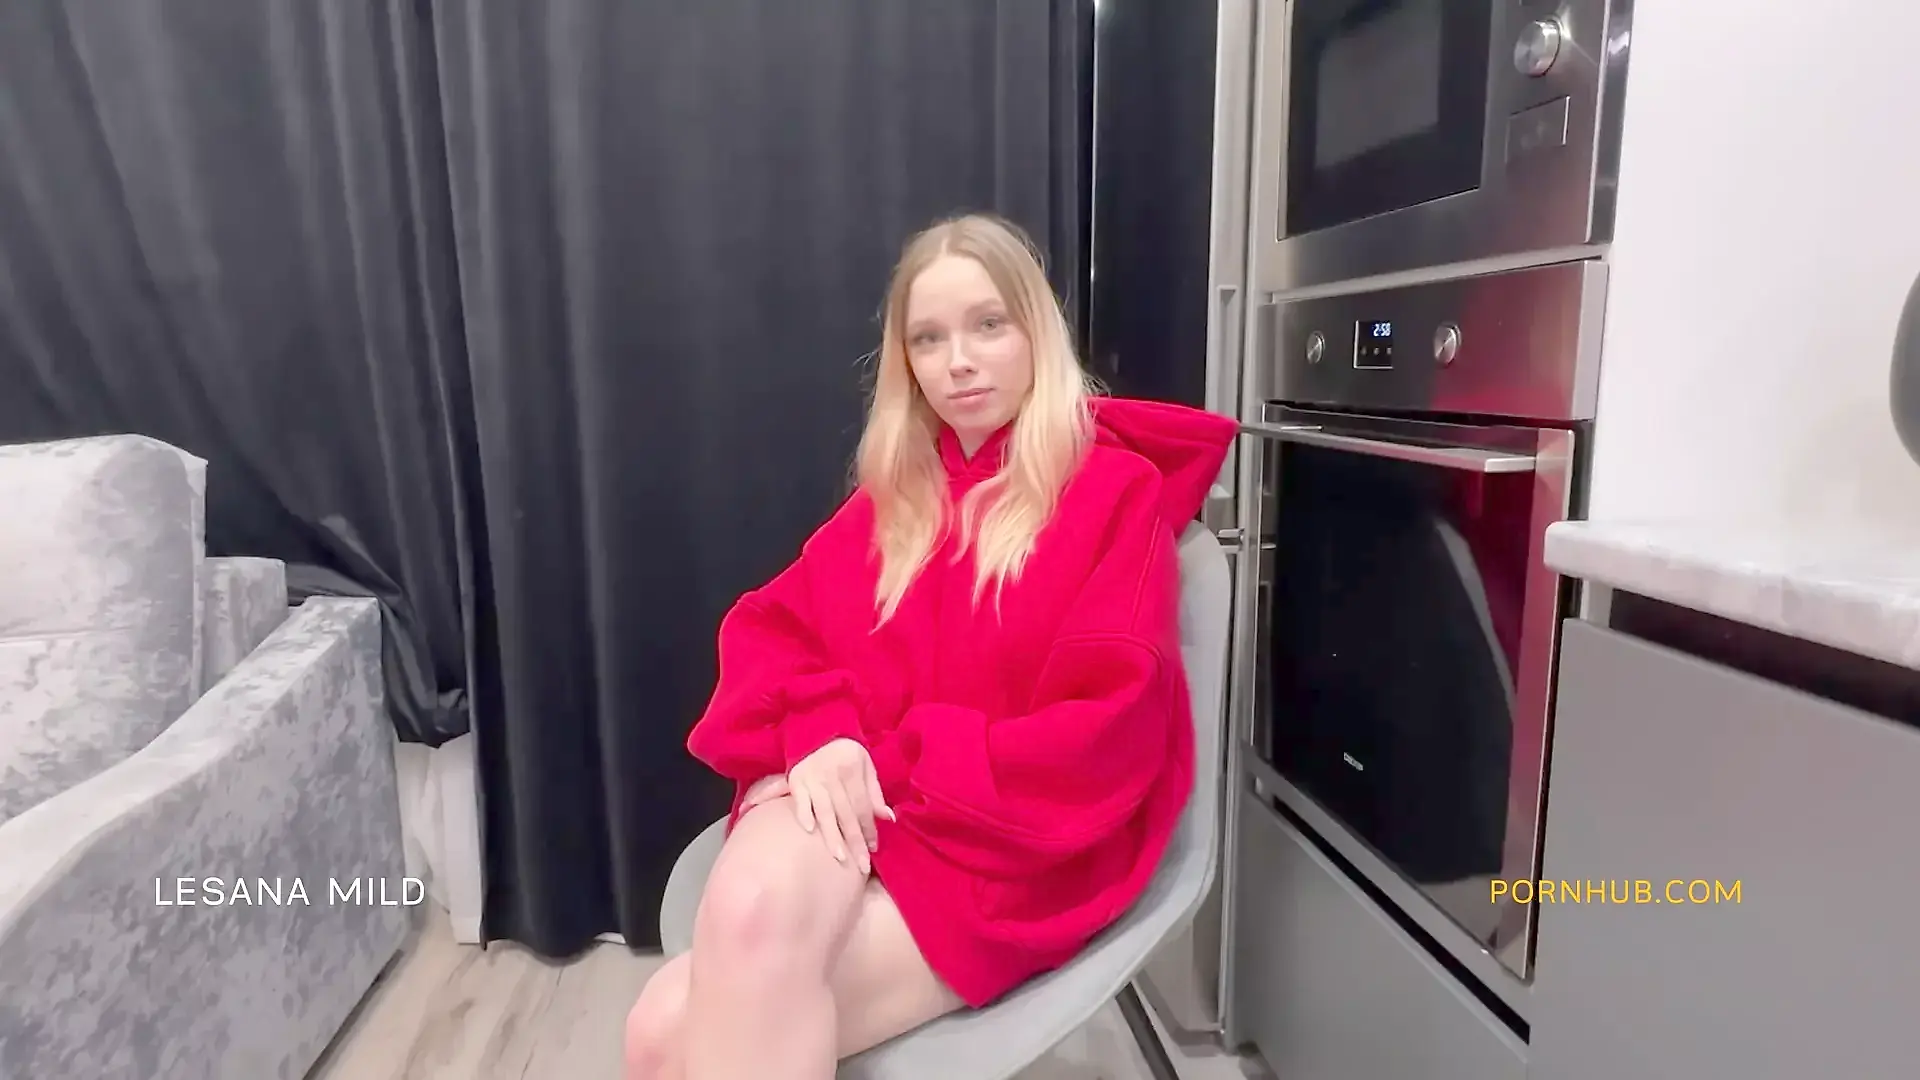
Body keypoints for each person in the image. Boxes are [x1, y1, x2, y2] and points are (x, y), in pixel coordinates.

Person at [623, 212, 1237, 1080]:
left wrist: (890, 760)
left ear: (1037, 331)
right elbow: (771, 629)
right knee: (731, 940)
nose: (959, 361)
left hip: (1011, 845)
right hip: (878, 803)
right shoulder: (899, 496)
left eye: (989, 325)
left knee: (667, 1030)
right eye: (928, 338)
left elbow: (1109, 730)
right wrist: (822, 729)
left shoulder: (1111, 491)